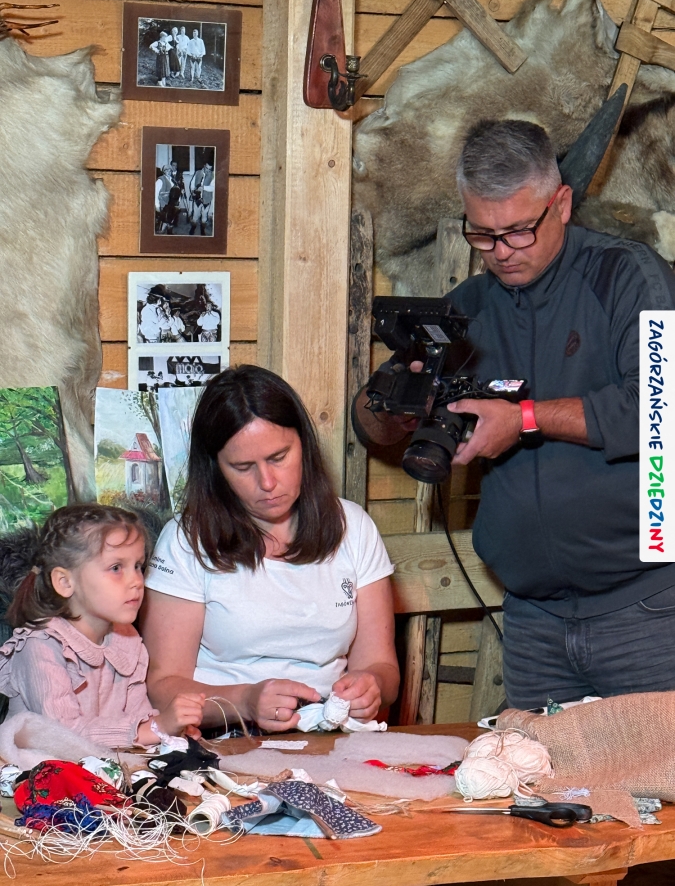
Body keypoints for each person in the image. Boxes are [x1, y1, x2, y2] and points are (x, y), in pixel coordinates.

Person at [435, 119, 675, 708]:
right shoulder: (466, 308)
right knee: (534, 771)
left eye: (519, 231)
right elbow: (374, 424)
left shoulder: (629, 275)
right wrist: (392, 404)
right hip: (532, 622)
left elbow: (659, 411)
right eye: (483, 234)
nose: (501, 252)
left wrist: (525, 418)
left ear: (561, 204)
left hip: (645, 608)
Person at [141, 365, 399, 732]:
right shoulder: (186, 540)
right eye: (243, 466)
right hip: (225, 735)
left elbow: (382, 667)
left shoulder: (353, 528)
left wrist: (371, 687)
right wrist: (245, 701)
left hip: (329, 731)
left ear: (304, 446)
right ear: (215, 468)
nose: (267, 482)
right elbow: (162, 686)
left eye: (279, 457)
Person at [0, 505, 205, 748]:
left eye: (138, 566)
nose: (136, 581)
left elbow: (138, 716)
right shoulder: (39, 646)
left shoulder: (127, 639)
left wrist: (171, 732)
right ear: (64, 582)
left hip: (108, 764)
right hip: (38, 767)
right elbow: (63, 734)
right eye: (116, 568)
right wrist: (155, 728)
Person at [189, 162, 214, 236]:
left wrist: (204, 187)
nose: (207, 170)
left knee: (204, 215)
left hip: (207, 198)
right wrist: (192, 192)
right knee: (195, 214)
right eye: (206, 168)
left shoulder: (213, 175)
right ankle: (193, 227)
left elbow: (213, 187)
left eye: (209, 169)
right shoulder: (197, 173)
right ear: (204, 166)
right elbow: (192, 184)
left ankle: (202, 229)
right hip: (197, 198)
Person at [155, 165, 180, 234]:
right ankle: (160, 233)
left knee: (170, 220)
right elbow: (155, 193)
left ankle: (169, 233)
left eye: (170, 170)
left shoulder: (172, 179)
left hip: (171, 203)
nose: (168, 171)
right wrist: (157, 206)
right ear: (164, 171)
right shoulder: (160, 180)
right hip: (163, 203)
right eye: (166, 170)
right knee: (164, 220)